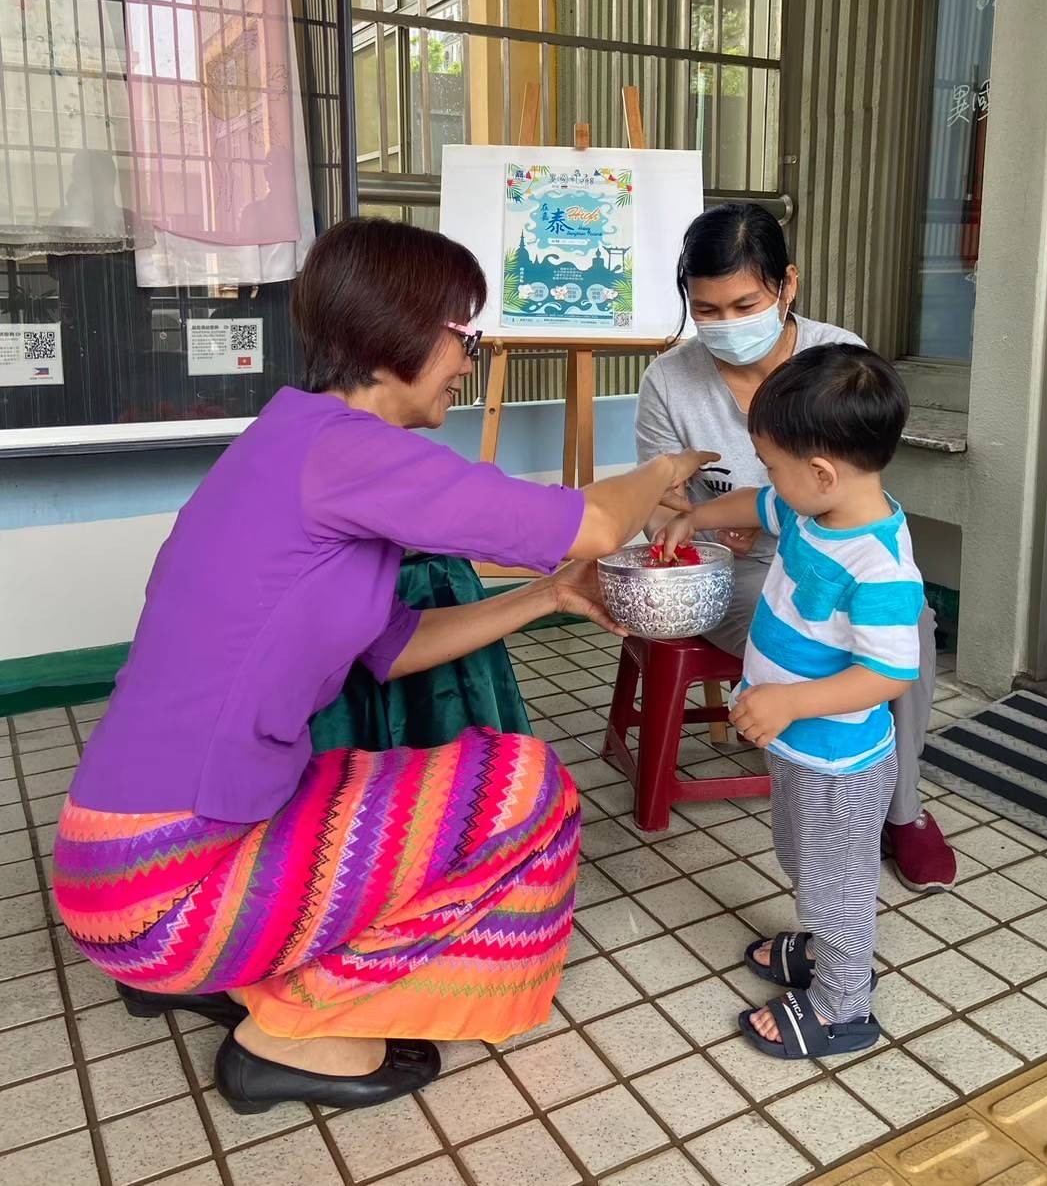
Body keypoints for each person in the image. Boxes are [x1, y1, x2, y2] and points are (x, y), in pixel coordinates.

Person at [53, 218, 716, 1116]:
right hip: (159, 882)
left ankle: (198, 971)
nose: (468, 360)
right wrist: (668, 465)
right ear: (398, 330)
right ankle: (291, 1031)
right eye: (463, 334)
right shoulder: (346, 450)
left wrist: (548, 596)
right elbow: (594, 522)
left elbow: (395, 646)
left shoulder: (296, 443)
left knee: (404, 773)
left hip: (127, 858)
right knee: (525, 788)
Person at [636, 203, 956, 892]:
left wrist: (783, 520)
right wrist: (706, 523)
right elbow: (663, 500)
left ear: (788, 284)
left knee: (912, 627)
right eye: (706, 308)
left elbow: (856, 489)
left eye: (744, 303)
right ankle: (821, 779)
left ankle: (900, 808)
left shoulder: (837, 356)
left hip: (826, 554)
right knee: (812, 624)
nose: (724, 323)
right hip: (738, 569)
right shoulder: (670, 378)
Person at [656, 344, 922, 1059]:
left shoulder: (880, 564)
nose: (768, 477)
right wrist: (698, 517)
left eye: (773, 463)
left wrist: (791, 702)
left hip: (839, 764)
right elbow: (757, 503)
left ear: (823, 471)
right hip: (800, 749)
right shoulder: (814, 509)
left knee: (836, 882)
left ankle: (842, 1004)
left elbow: (890, 673)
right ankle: (821, 942)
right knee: (801, 858)